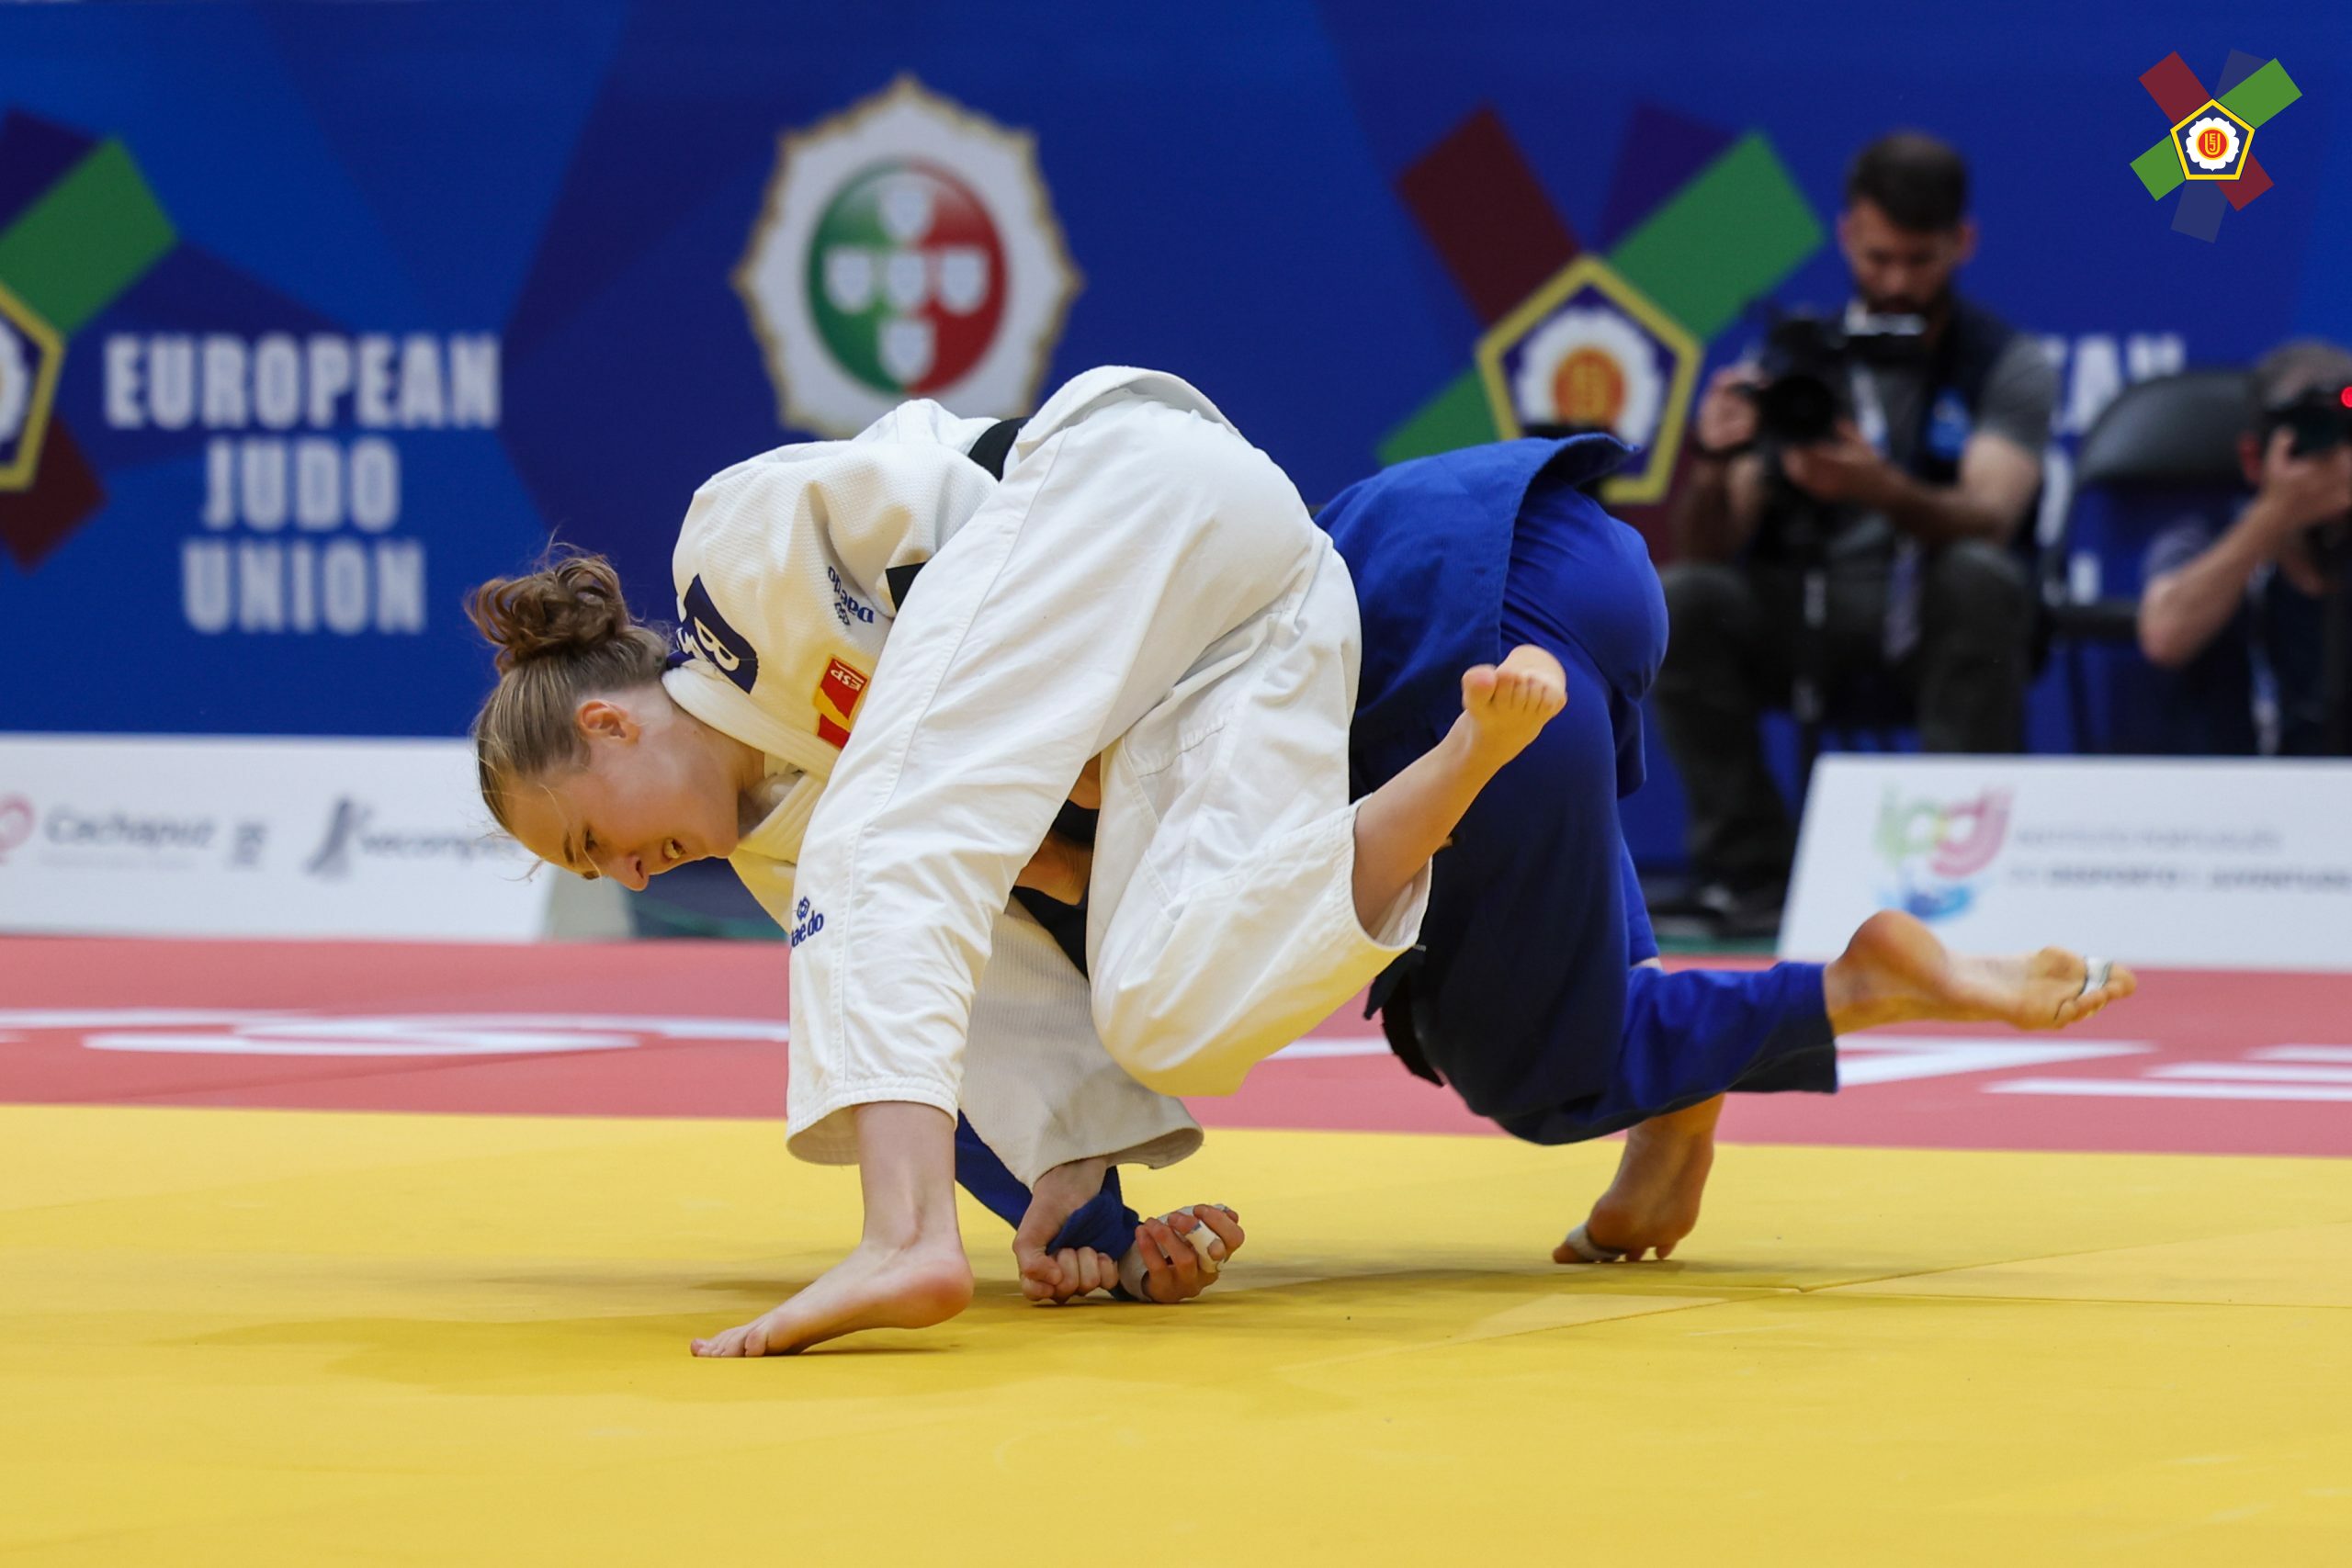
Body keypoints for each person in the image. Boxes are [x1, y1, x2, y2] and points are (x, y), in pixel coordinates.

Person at [467, 366, 1568, 1356]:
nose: (629, 875)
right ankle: (1461, 767)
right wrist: (1096, 1222)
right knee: (1164, 1004)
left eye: (588, 843)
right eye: (598, 876)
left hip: (1141, 493)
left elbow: (962, 496)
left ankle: (900, 1239)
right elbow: (989, 1018)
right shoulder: (790, 852)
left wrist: (1038, 743)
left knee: (885, 825)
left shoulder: (731, 560)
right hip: (1252, 630)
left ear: (609, 726)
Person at [1316, 432, 2133, 1263]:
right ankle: (1673, 1094)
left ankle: (1855, 984)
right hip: (1564, 539)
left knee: (1534, 1068)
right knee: (1531, 862)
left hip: (1451, 631)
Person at [1658, 130, 2058, 935]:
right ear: (1847, 236)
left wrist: (1879, 488)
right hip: (1799, 613)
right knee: (1683, 597)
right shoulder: (1791, 358)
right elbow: (1706, 543)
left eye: (1920, 260)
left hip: (1928, 624)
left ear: (1962, 243)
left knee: (1980, 574)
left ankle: (1957, 883)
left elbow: (1991, 514)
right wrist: (1713, 457)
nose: (1896, 281)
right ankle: (1752, 876)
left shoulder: (2006, 363)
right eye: (1878, 259)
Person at [2138, 339, 2352, 757]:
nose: (2338, 462)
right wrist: (2276, 516)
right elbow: (2164, 637)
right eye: (2317, 438)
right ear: (2255, 459)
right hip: (2238, 803)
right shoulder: (2205, 539)